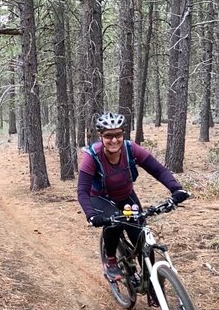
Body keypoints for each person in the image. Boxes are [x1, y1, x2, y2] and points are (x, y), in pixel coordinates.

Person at [77, 112, 189, 281]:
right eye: (108, 136)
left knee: (142, 239)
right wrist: (91, 215)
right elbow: (82, 191)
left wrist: (176, 189)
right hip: (101, 198)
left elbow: (158, 170)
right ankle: (111, 261)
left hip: (126, 195)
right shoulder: (92, 156)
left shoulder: (131, 149)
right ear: (101, 136)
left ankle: (151, 285)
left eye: (118, 135)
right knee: (113, 221)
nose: (114, 140)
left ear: (123, 134)